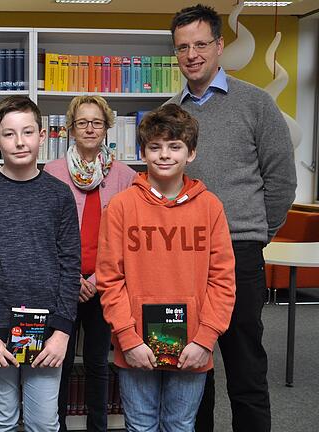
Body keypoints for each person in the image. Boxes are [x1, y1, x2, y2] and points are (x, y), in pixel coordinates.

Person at [167, 5, 297, 431]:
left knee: (245, 366)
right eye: (183, 47)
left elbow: (281, 180)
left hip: (239, 252)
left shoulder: (256, 104)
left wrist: (254, 234)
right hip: (182, 257)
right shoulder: (170, 113)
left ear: (220, 45)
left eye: (201, 44)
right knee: (191, 368)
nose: (192, 54)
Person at [96, 104, 236, 431]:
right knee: (140, 425)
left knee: (180, 425)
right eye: (155, 147)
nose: (164, 155)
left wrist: (205, 339)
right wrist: (128, 338)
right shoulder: (120, 207)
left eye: (175, 146)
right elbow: (110, 279)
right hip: (135, 344)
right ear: (142, 152)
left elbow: (223, 280)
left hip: (193, 345)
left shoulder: (210, 207)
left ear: (191, 153)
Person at [0, 95, 80, 432]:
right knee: (1, 421)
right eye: (9, 134)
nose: (20, 141)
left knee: (44, 422)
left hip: (47, 331)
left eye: (27, 132)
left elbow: (71, 265)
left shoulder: (59, 194)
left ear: (42, 136)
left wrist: (62, 332)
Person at [44, 95, 136, 431]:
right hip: (62, 282)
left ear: (107, 128)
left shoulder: (125, 176)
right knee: (60, 361)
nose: (89, 128)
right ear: (70, 128)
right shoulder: (51, 172)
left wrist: (96, 280)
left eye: (96, 122)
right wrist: (71, 279)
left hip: (105, 283)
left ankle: (97, 426)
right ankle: (58, 426)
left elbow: (129, 236)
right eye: (82, 122)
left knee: (98, 361)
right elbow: (45, 233)